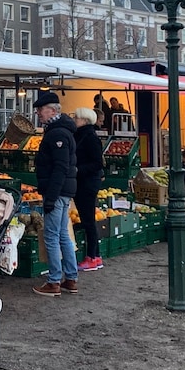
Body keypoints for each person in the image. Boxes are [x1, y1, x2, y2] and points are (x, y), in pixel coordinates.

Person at [32, 91, 78, 297]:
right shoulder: (62, 131)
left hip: (57, 190)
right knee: (62, 234)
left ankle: (53, 281)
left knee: (51, 235)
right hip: (64, 190)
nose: (38, 114)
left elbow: (60, 166)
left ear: (52, 110)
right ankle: (71, 278)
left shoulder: (57, 134)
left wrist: (50, 196)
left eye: (41, 110)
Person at [72, 107, 104, 272]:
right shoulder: (82, 135)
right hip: (85, 182)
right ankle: (96, 256)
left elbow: (97, 162)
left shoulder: (90, 137)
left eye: (76, 117)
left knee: (88, 220)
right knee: (88, 219)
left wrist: (79, 169)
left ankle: (92, 257)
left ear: (84, 120)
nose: (74, 120)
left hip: (87, 183)